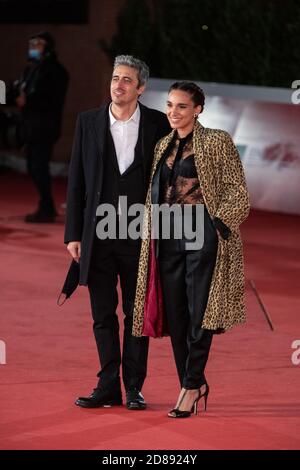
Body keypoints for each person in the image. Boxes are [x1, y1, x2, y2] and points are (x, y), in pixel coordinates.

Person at [132, 81, 250, 418]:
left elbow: (237, 190)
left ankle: (190, 385)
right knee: (176, 313)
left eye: (181, 106)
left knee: (201, 312)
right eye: (170, 105)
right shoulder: (162, 146)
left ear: (197, 109)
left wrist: (219, 225)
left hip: (203, 232)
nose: (173, 112)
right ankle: (193, 381)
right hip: (167, 232)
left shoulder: (216, 141)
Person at [64, 55, 170, 410]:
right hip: (98, 234)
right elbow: (76, 181)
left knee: (136, 314)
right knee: (102, 314)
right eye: (115, 77)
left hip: (141, 237)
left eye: (127, 80)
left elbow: (169, 185)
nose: (118, 85)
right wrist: (73, 234)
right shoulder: (88, 121)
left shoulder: (158, 124)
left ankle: (134, 387)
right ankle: (108, 384)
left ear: (141, 88)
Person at [15, 31, 69, 223]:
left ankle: (47, 207)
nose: (33, 48)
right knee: (33, 166)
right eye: (32, 44)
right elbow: (19, 91)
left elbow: (50, 98)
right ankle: (46, 205)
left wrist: (28, 100)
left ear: (48, 47)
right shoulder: (31, 69)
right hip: (30, 126)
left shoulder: (55, 71)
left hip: (45, 126)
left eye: (37, 44)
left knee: (38, 166)